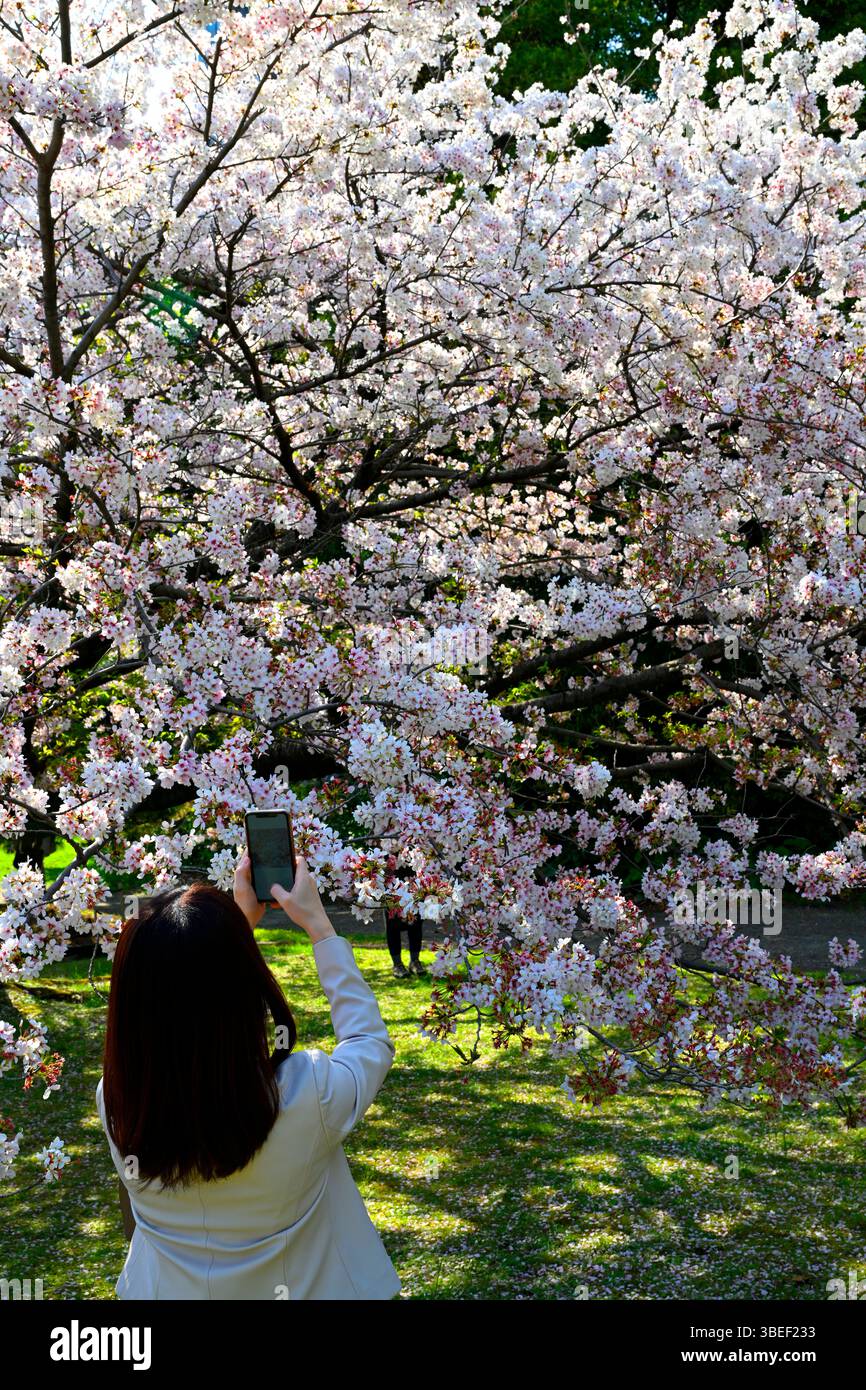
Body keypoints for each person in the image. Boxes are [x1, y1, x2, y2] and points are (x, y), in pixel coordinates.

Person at [96, 853, 400, 1300]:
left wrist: (230, 934)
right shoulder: (306, 1091)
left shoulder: (119, 1101)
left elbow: (185, 999)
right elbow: (368, 1043)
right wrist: (320, 929)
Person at [386, 908, 425, 978]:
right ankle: (397, 965)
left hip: (414, 899)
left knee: (416, 924)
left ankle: (414, 962)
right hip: (393, 900)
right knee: (393, 926)